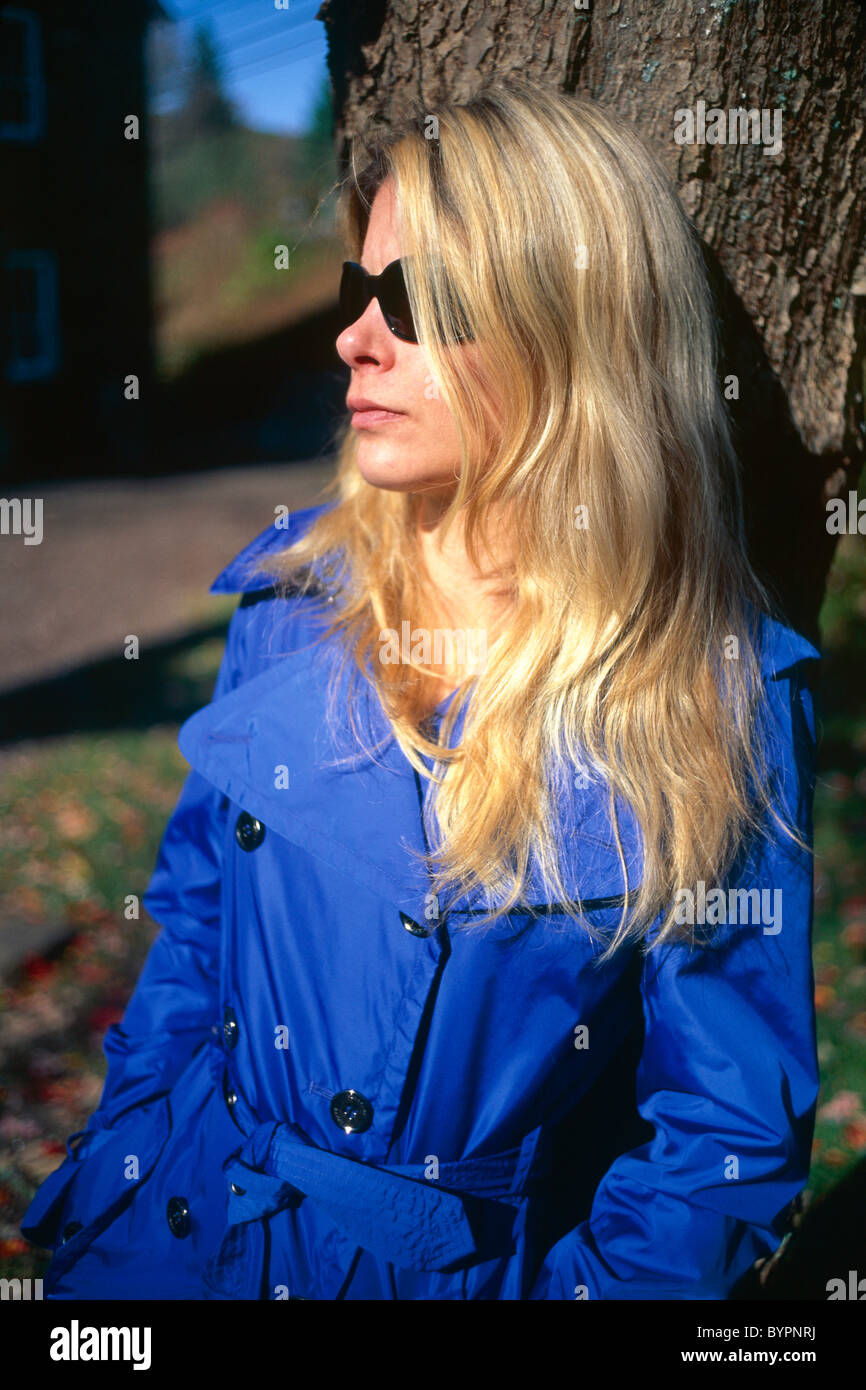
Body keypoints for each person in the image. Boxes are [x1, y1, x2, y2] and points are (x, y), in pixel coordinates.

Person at [22, 77, 820, 1301]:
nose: (356, 336)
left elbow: (721, 1141)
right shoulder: (291, 605)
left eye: (422, 300)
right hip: (167, 1243)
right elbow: (193, 921)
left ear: (572, 330)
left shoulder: (707, 691)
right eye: (359, 288)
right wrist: (128, 1138)